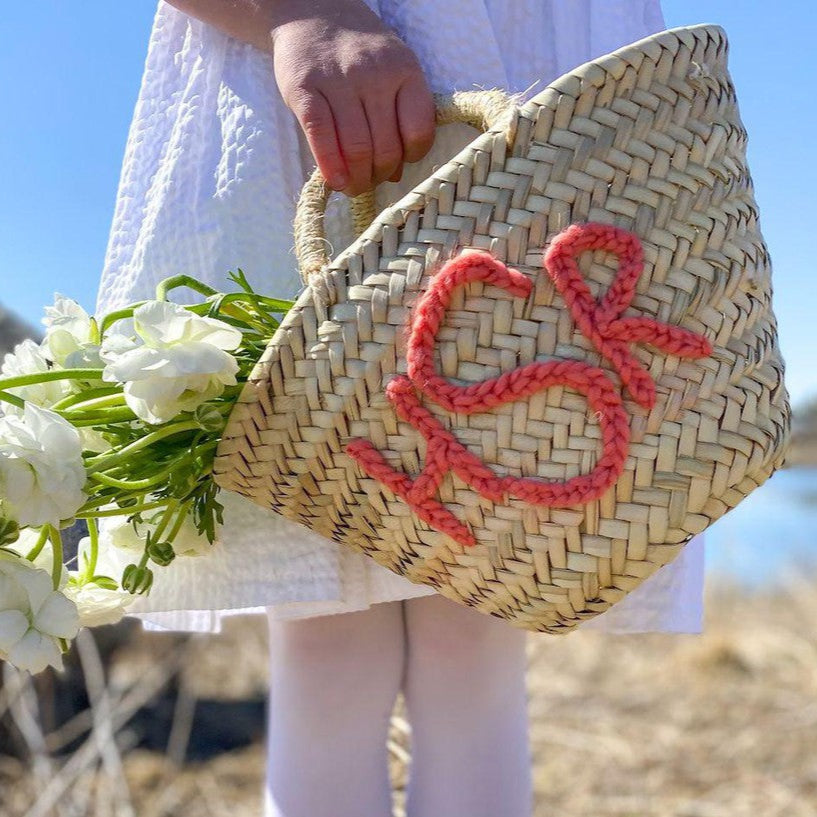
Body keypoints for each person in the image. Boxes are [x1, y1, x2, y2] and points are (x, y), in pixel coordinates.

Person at [95, 2, 705, 815]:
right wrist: (299, 13)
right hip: (321, 79)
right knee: (331, 626)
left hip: (532, 83)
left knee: (475, 627)